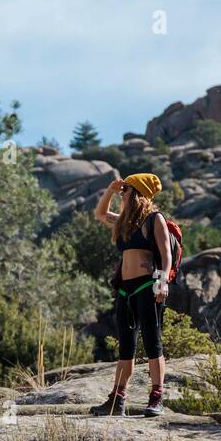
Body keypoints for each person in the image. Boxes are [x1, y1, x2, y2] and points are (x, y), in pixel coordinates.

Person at [89, 172, 171, 416]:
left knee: (152, 342)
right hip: (125, 289)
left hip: (148, 286)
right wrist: (110, 191)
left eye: (125, 190)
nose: (122, 194)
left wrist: (163, 281)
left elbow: (166, 254)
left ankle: (157, 398)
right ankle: (117, 401)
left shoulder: (155, 219)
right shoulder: (125, 222)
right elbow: (100, 214)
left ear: (136, 193)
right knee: (126, 346)